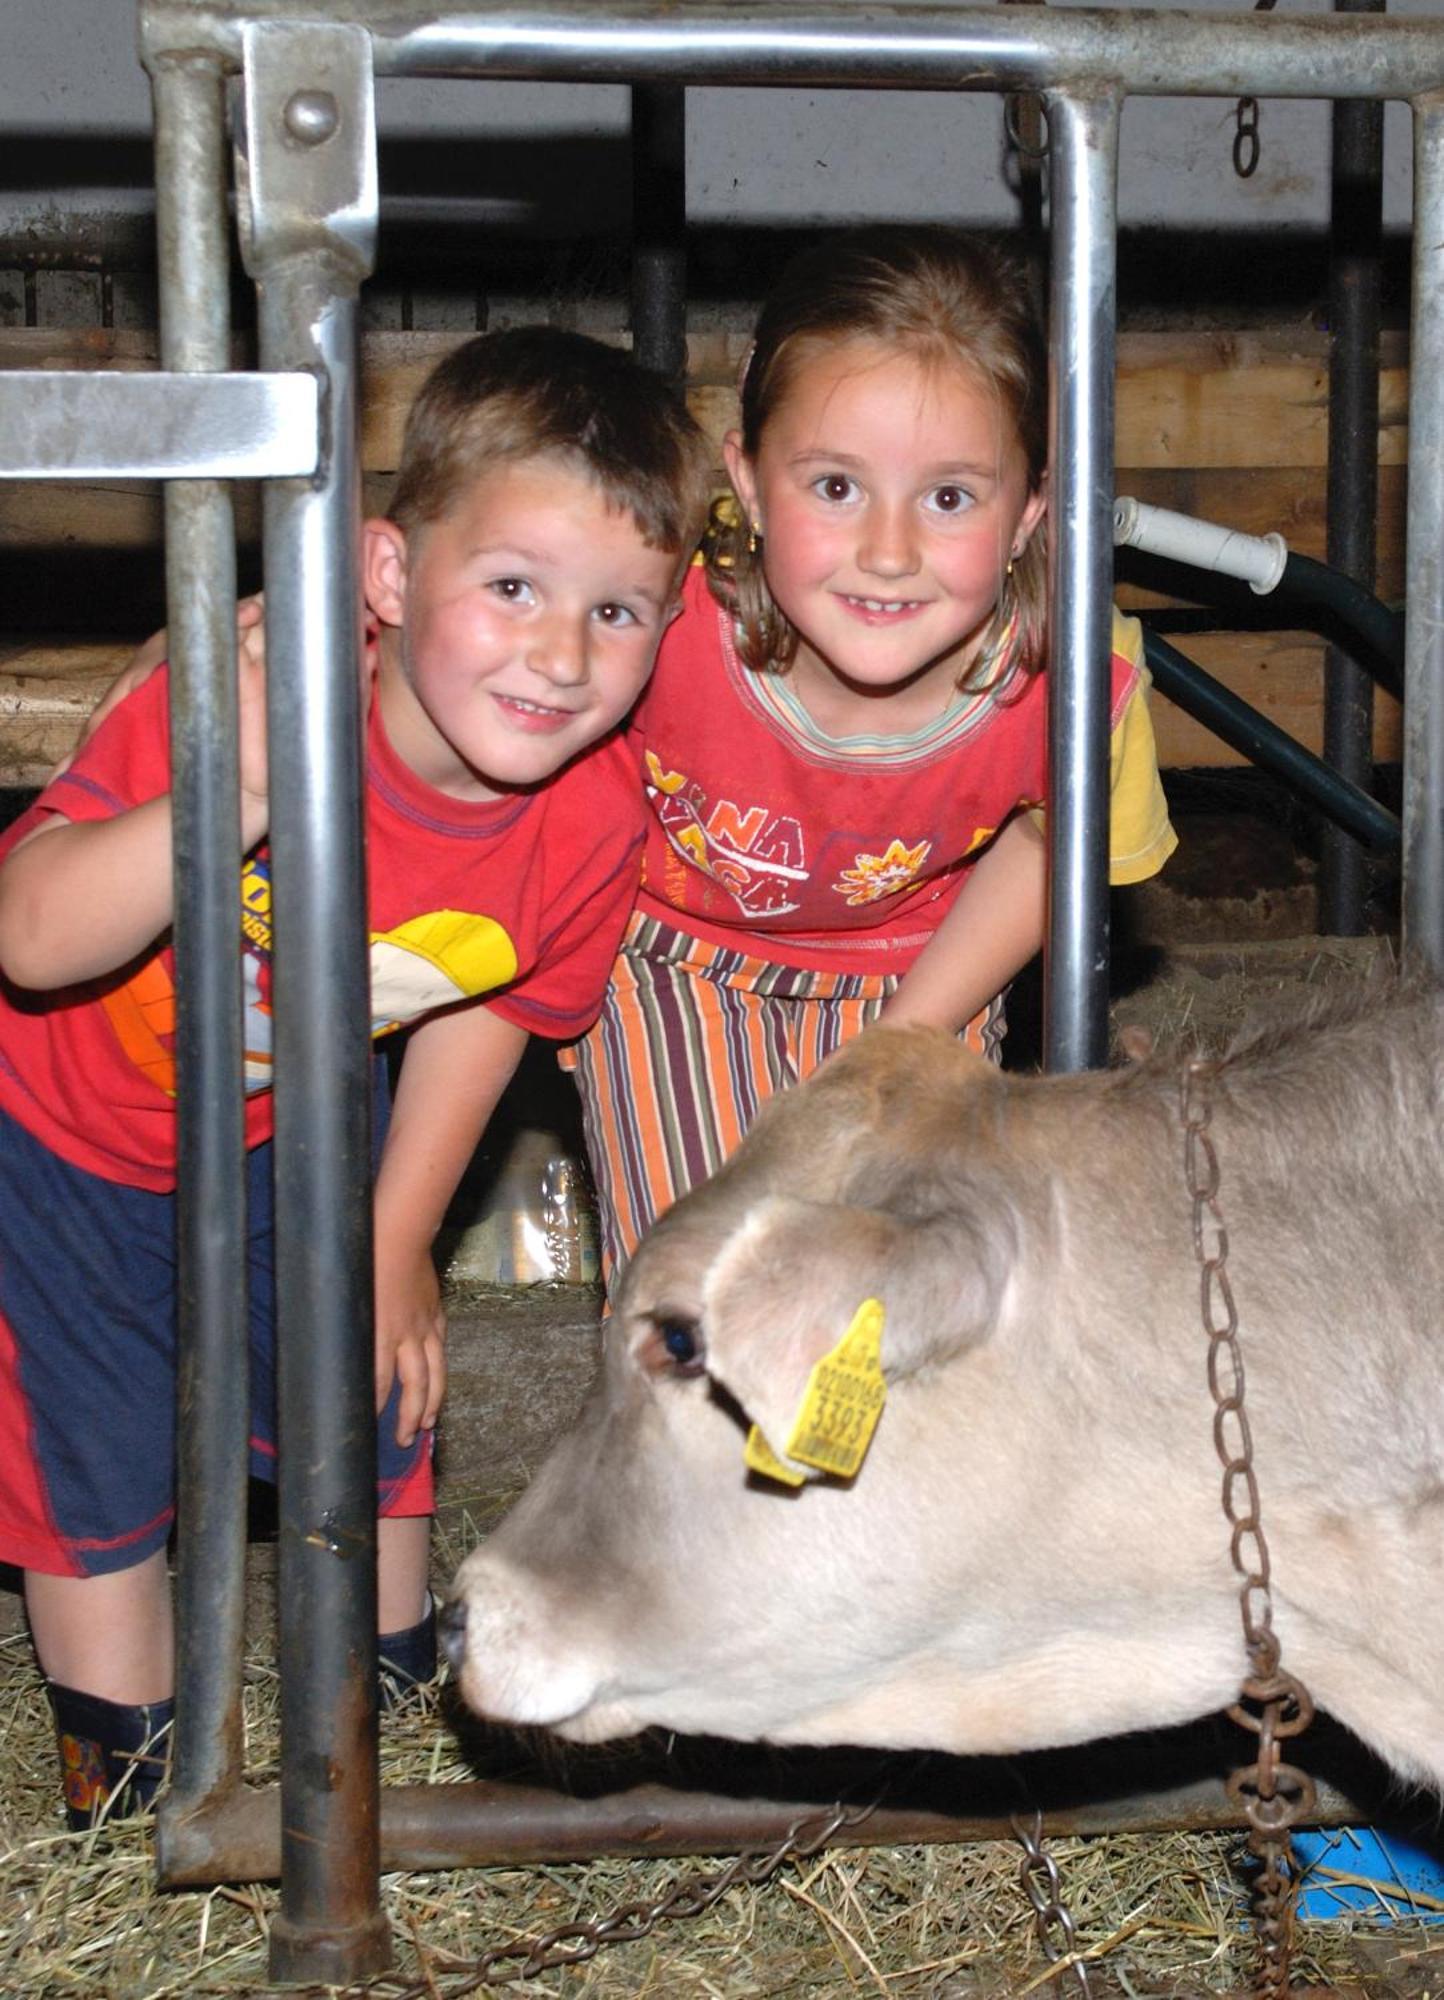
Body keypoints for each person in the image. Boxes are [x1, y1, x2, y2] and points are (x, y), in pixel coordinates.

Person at [0, 325, 712, 1827]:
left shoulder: (591, 819)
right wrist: (240, 776)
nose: (562, 653)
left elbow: (493, 999)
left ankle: (383, 1722)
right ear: (389, 579)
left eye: (619, 610)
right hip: (62, 1134)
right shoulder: (260, 689)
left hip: (296, 1119)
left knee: (374, 1391)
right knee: (97, 1456)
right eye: (511, 586)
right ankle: (132, 1801)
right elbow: (35, 936)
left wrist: (398, 1237)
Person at [561, 226, 1178, 1292]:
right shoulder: (657, 607)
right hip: (673, 960)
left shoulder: (1075, 681)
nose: (888, 553)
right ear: (746, 482)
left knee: (909, 1287)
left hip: (918, 965)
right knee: (707, 1289)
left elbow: (1047, 841)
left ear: (1031, 508)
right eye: (836, 487)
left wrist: (894, 1049)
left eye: (949, 498)